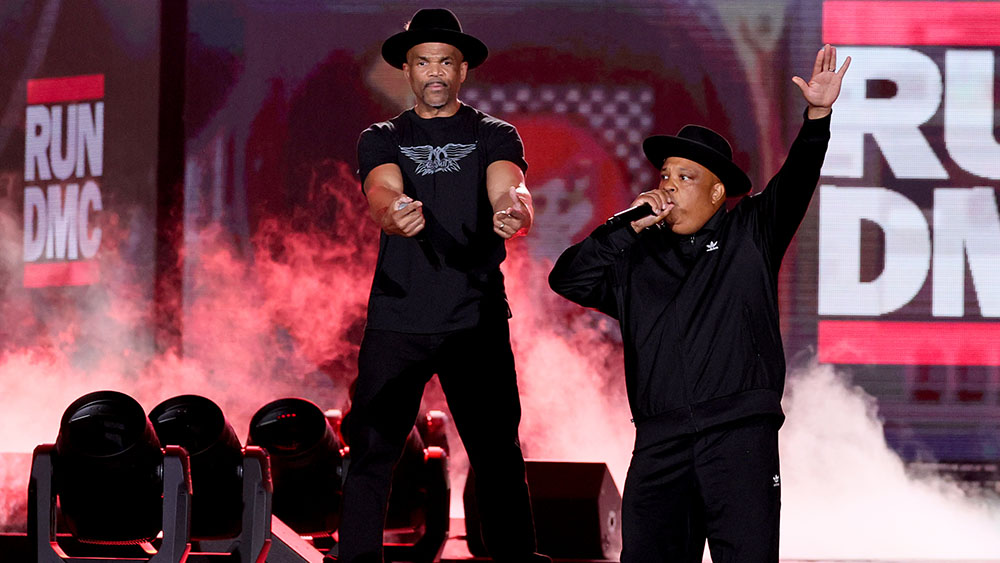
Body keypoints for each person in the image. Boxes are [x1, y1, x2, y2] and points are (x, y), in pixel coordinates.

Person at [548, 45, 851, 562]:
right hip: (660, 445)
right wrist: (626, 225)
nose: (669, 185)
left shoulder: (750, 232)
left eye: (685, 177)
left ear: (717, 194)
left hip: (738, 439)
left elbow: (796, 179)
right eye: (666, 175)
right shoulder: (635, 257)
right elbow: (568, 279)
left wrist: (817, 117)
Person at [338, 8, 546, 563]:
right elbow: (381, 191)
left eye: (446, 62)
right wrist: (394, 212)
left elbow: (512, 187)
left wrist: (512, 211)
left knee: (498, 455)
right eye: (424, 61)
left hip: (474, 319)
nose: (435, 72)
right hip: (398, 319)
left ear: (462, 71)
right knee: (372, 455)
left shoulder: (492, 133)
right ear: (406, 70)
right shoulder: (381, 137)